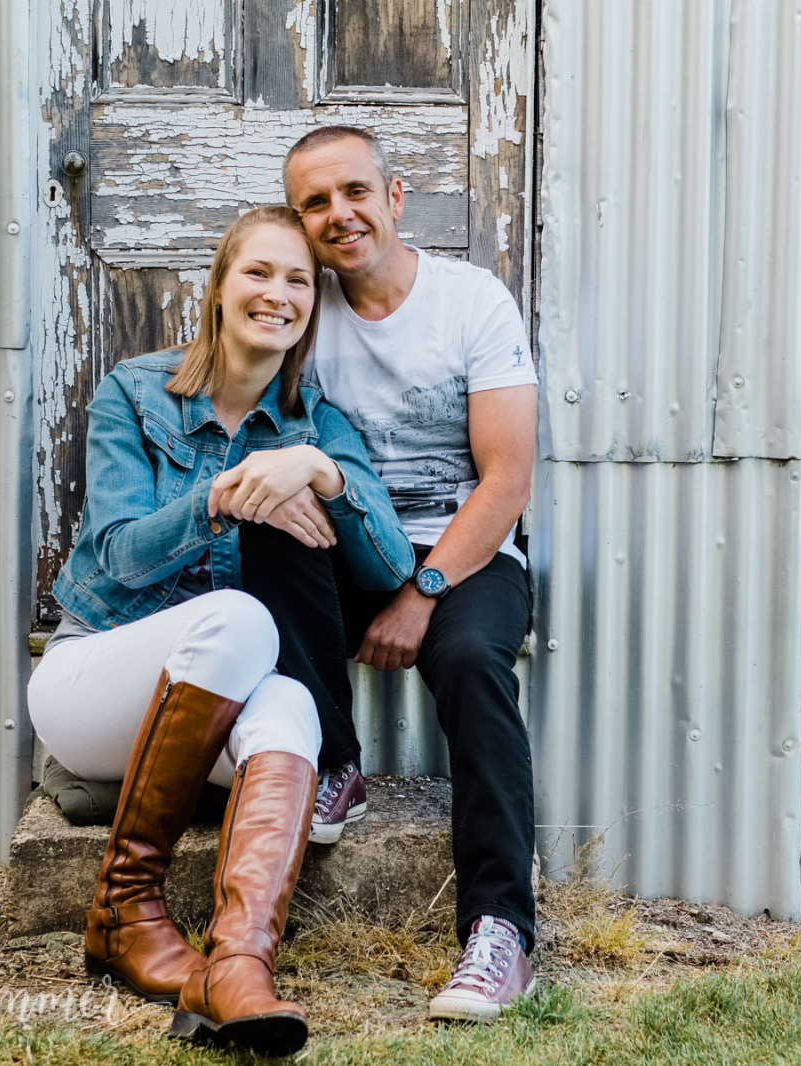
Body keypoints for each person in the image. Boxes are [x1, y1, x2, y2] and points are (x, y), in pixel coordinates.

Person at [26, 205, 414, 1056]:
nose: (278, 294)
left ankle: (237, 965)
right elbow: (120, 555)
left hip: (217, 703)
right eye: (258, 273)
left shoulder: (317, 422)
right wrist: (223, 497)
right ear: (219, 287)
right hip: (94, 682)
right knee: (241, 618)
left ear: (313, 305)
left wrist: (318, 471)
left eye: (299, 281)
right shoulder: (135, 393)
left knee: (293, 710)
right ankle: (127, 910)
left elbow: (389, 566)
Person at [280, 125, 542, 1021]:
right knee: (273, 543)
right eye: (315, 203)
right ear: (301, 222)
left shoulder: (471, 302)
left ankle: (501, 934)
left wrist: (422, 595)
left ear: (394, 197)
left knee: (470, 662)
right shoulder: (300, 310)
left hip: (465, 551)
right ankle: (336, 764)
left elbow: (507, 482)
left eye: (355, 191)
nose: (339, 214)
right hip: (354, 542)